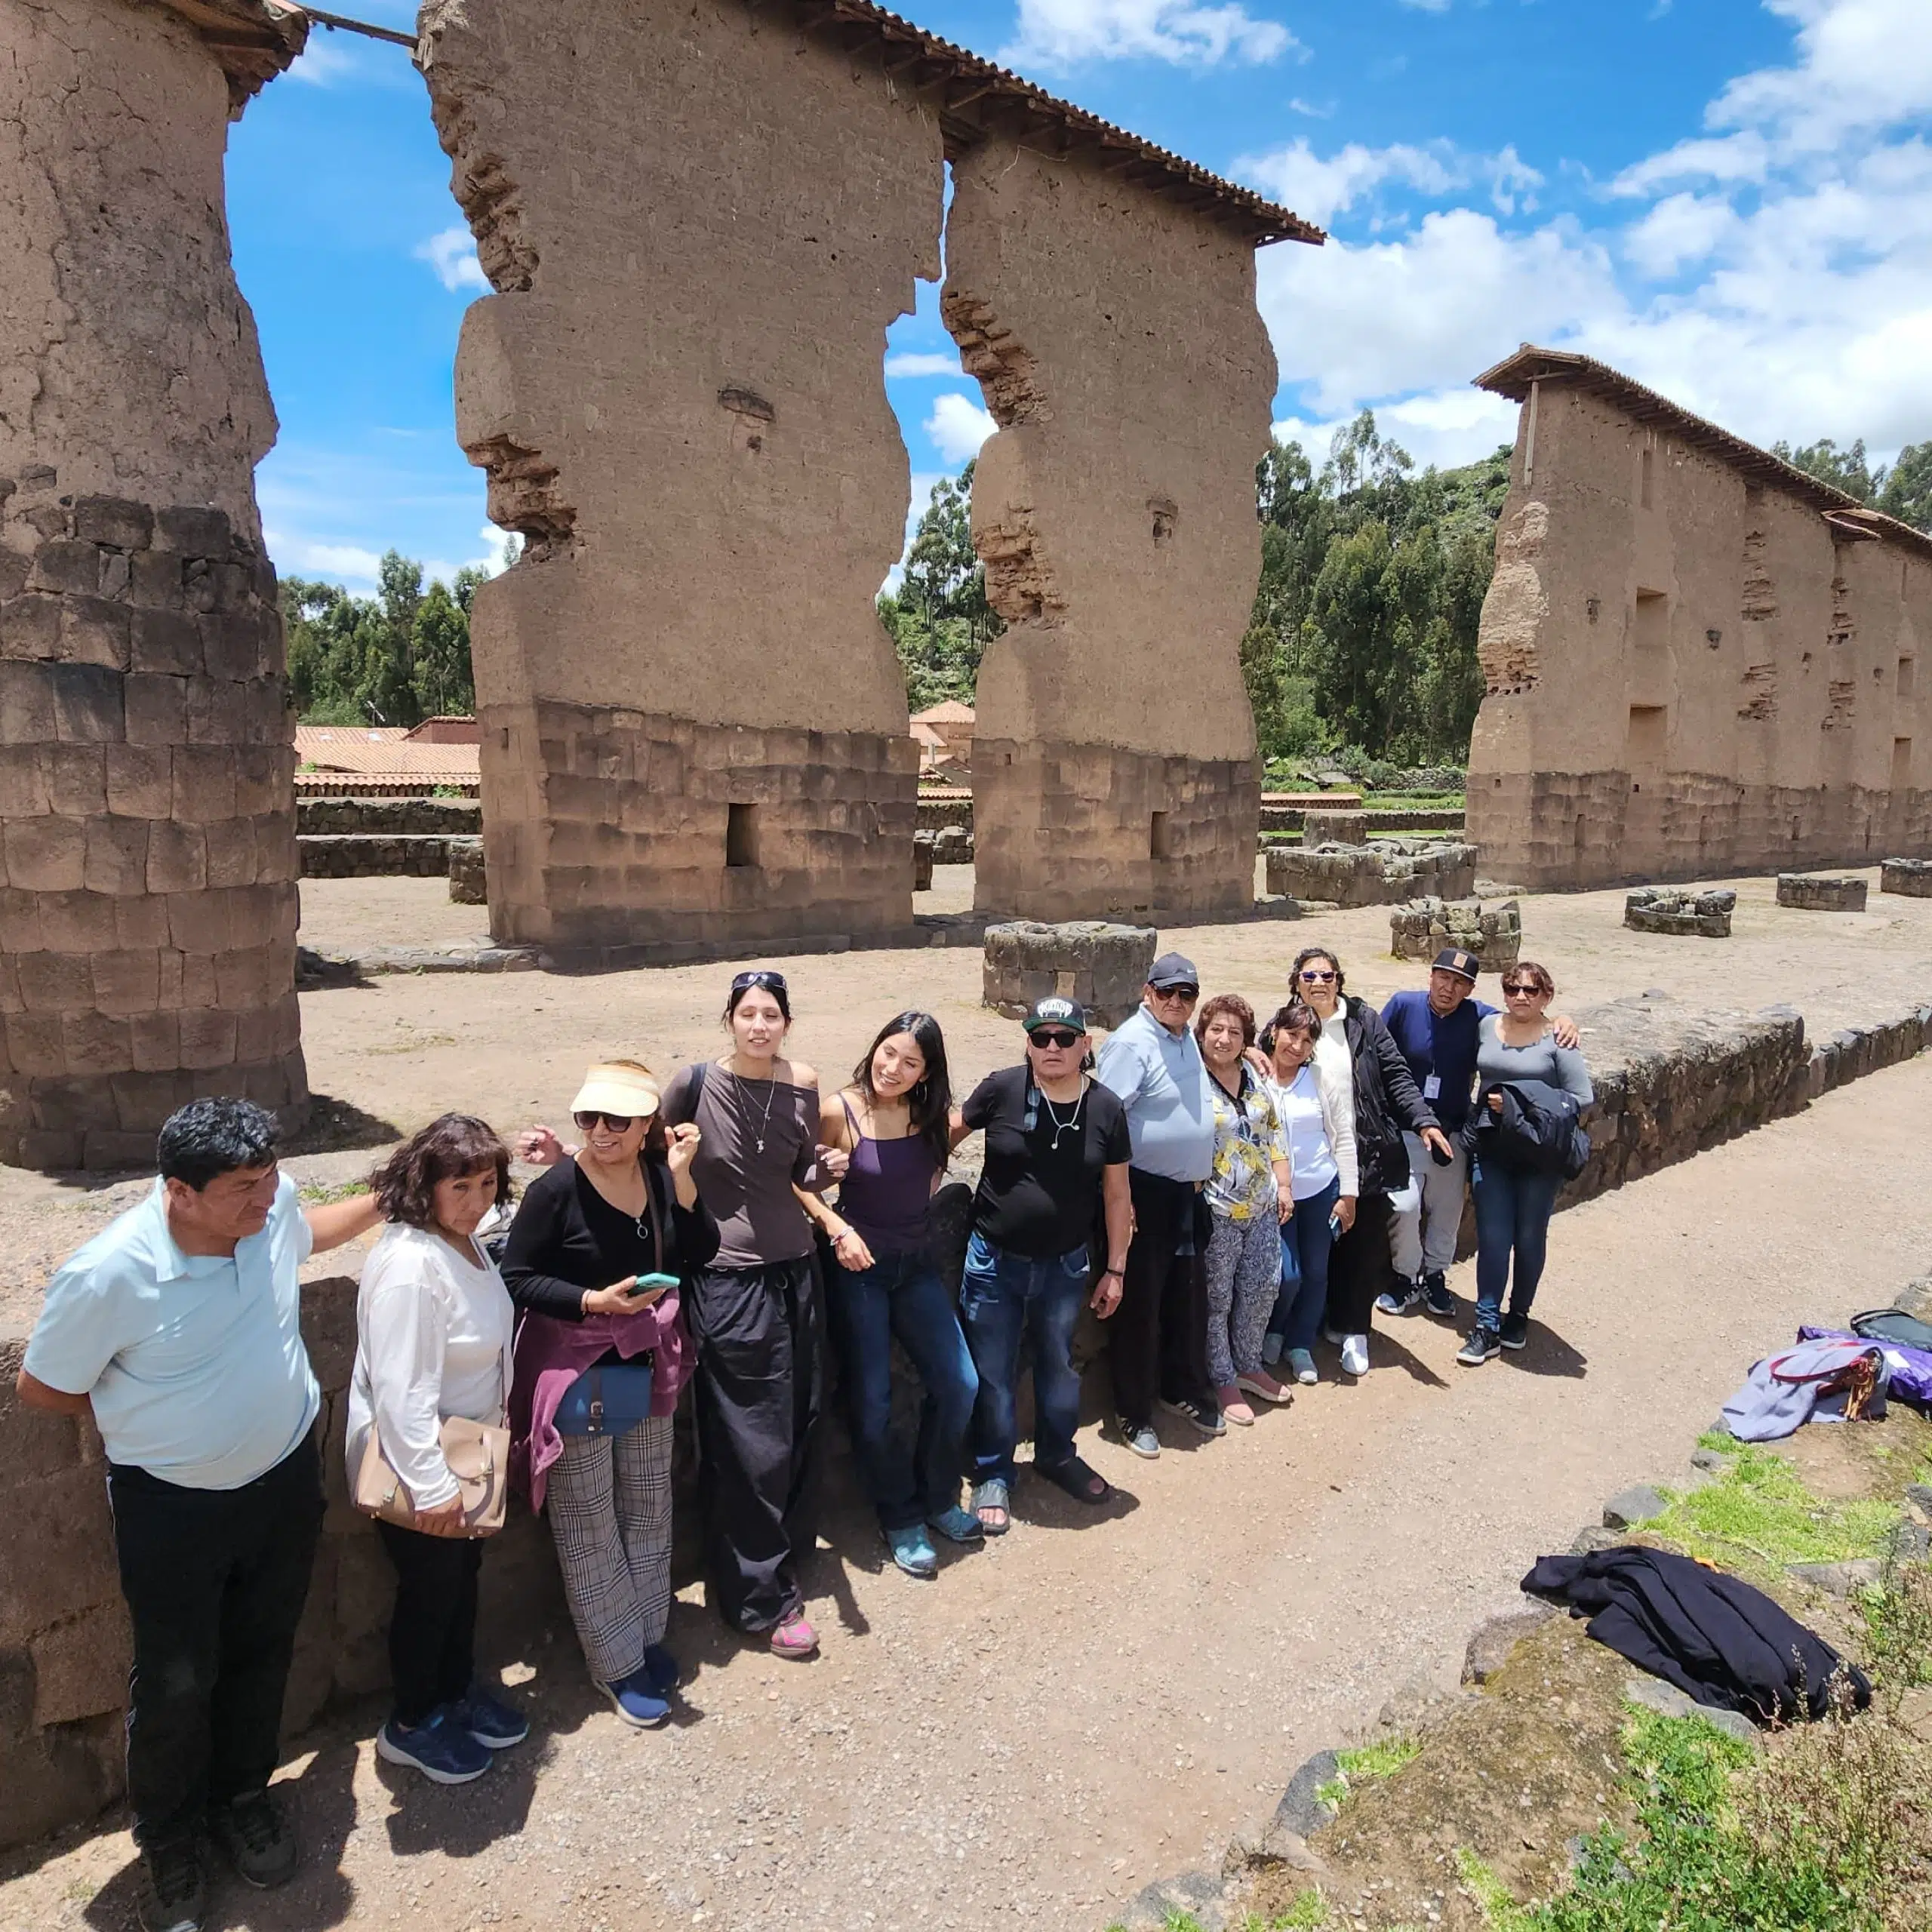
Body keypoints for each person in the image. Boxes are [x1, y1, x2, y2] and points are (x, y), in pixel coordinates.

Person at [16, 1098, 380, 1932]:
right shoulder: (110, 1272)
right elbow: (43, 1387)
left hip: (283, 1481)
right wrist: (162, 1422)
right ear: (178, 1190)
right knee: (177, 1680)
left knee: (263, 1647)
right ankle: (172, 1839)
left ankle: (243, 1797)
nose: (267, 1199)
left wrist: (384, 1200)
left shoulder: (269, 1211)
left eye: (271, 1177)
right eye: (245, 1188)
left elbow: (304, 1230)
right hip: (172, 1507)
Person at [502, 1061, 715, 1721]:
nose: (599, 1132)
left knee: (648, 1501)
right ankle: (615, 1661)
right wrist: (592, 1300)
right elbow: (517, 1275)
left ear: (647, 1123)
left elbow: (700, 1250)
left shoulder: (656, 1179)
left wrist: (682, 1181)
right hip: (579, 1369)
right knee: (588, 1515)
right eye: (588, 1119)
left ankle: (646, 1633)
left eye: (616, 1120)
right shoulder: (555, 1191)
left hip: (643, 1360)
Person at [659, 971, 832, 1658]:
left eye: (771, 1015)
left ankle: (779, 1553)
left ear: (787, 1022)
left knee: (800, 1420)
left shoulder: (801, 1082)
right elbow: (649, 1162)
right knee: (747, 1441)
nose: (759, 1026)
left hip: (797, 1271)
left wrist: (828, 1171)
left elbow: (799, 1175)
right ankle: (759, 1597)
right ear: (729, 1019)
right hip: (729, 1280)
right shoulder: (693, 1083)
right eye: (747, 1014)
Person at [347, 1115, 521, 1786]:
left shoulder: (463, 1243)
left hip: (469, 1448)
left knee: (459, 1584)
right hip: (425, 1458)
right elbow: (401, 1390)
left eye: (487, 1183)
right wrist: (431, 1484)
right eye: (460, 1186)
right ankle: (414, 1722)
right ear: (425, 1184)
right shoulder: (412, 1267)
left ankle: (455, 1693)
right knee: (429, 1590)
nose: (477, 1202)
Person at [793, 1011, 982, 1580]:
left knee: (960, 1383)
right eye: (888, 1052)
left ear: (926, 1074)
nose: (892, 1068)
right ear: (874, 1047)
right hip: (860, 1272)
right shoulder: (838, 1109)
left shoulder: (929, 1118)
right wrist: (835, 1225)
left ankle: (938, 1495)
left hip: (917, 1266)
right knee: (872, 1403)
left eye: (910, 1062)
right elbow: (796, 1179)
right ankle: (898, 1513)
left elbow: (937, 1165)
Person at [955, 996, 1132, 1532]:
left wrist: (1116, 1267)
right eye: (1040, 1037)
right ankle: (993, 1472)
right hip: (993, 1260)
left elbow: (1118, 1196)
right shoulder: (1001, 1088)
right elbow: (942, 1137)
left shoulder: (1106, 1108)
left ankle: (1057, 1455)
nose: (1051, 1047)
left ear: (1085, 1044)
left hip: (1064, 1266)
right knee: (994, 1374)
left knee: (1058, 1367)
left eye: (1063, 1037)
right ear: (1028, 1043)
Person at [1377, 950, 1580, 1321]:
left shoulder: (1480, 1019)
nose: (1448, 988)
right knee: (1404, 1207)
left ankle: (1435, 1276)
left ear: (1470, 989)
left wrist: (1562, 1021)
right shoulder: (1403, 1006)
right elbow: (1373, 1049)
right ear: (1431, 976)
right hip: (1405, 1130)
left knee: (1447, 1211)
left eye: (1459, 982)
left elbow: (1522, 1018)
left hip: (1454, 1131)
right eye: (1443, 977)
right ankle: (1406, 1275)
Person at [1284, 947, 1451, 1379]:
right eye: (1309, 976)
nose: (1318, 983)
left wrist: (1424, 1123)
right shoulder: (1288, 1024)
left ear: (1339, 980)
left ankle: (1354, 1330)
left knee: (1362, 1246)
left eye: (1327, 975)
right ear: (1296, 982)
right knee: (1315, 1251)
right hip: (1312, 1160)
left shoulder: (1362, 1020)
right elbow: (1264, 1066)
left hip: (1366, 1149)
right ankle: (1307, 1326)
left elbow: (1396, 1074)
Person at [1094, 952, 1220, 1452]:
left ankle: (1177, 1388)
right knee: (1139, 1309)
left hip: (1187, 1195)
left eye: (1185, 994)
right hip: (1144, 1193)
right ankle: (1133, 1411)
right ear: (1147, 992)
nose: (1175, 1002)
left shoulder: (1184, 1035)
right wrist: (1119, 1202)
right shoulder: (1131, 1043)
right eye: (1166, 992)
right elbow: (1104, 1120)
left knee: (1184, 1301)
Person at [1457, 962, 1595, 1365]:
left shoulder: (1558, 1039)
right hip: (1493, 1148)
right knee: (1494, 1238)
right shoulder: (1487, 1026)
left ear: (1546, 997)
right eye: (1513, 988)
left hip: (1539, 1154)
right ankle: (1486, 1325)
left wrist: (1519, 1101)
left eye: (1531, 991)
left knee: (1530, 1237)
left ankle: (1518, 1315)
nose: (1521, 996)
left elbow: (1582, 1097)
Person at [1194, 993, 1294, 1424]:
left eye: (1235, 1032)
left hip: (1261, 1207)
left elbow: (1274, 1133)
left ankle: (1249, 1364)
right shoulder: (1192, 1077)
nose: (1225, 1038)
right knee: (1217, 1297)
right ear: (1202, 1034)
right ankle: (1222, 1375)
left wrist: (1284, 1184)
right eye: (1216, 1029)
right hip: (1217, 1210)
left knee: (1262, 1286)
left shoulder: (1255, 1076)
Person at [1258, 1000, 1356, 1387]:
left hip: (1319, 1188)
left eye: (1306, 1039)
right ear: (1274, 1033)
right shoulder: (1253, 1074)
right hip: (1270, 1196)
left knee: (1316, 1273)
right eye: (1291, 1035)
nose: (1297, 1046)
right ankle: (1274, 1330)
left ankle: (1300, 1345)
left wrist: (1348, 1193)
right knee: (1287, 1274)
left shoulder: (1320, 1078)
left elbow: (1343, 1136)